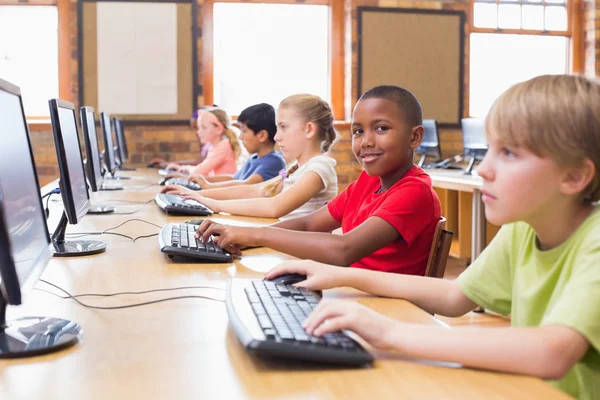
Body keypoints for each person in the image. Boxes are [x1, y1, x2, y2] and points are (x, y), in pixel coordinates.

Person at [266, 75, 600, 399]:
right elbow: (456, 295)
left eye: (509, 153)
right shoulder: (525, 229)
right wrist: (341, 274)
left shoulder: (594, 242)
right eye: (490, 150)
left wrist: (389, 332)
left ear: (574, 176)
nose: (483, 169)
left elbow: (552, 352)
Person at [194, 86, 442, 276]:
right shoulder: (368, 181)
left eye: (381, 128)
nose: (366, 141)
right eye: (358, 131)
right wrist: (245, 237)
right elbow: (309, 224)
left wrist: (258, 237)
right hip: (351, 291)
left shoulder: (415, 191)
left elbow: (345, 249)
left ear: (415, 137)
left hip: (385, 309)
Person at [161, 94, 338, 219]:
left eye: (283, 127)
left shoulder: (319, 168)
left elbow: (274, 207)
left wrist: (212, 203)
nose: (276, 137)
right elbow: (256, 190)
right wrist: (199, 194)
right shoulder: (295, 169)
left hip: (302, 258)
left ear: (309, 129)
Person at [183, 103, 285, 189]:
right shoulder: (253, 158)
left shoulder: (274, 161)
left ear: (262, 135)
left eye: (244, 131)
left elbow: (246, 185)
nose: (240, 137)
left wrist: (207, 186)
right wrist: (204, 181)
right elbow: (234, 178)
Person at [166, 108, 241, 177]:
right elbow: (203, 167)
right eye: (199, 128)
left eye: (204, 128)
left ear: (218, 129)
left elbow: (201, 171)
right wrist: (182, 168)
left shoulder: (224, 146)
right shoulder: (214, 146)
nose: (199, 132)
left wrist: (182, 171)